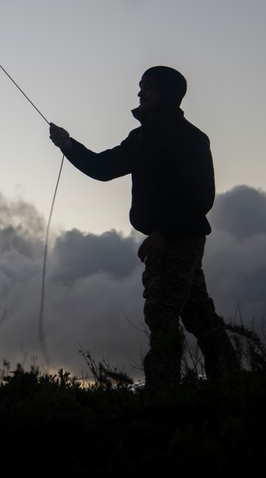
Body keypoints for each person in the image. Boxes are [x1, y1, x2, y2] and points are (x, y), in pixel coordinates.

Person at [48, 66, 237, 393]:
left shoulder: (190, 137)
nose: (140, 93)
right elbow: (103, 167)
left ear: (167, 93)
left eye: (148, 87)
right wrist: (68, 144)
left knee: (160, 312)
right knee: (200, 317)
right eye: (141, 86)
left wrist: (163, 234)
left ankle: (162, 394)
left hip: (178, 238)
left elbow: (201, 196)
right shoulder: (140, 138)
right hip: (165, 239)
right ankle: (231, 387)